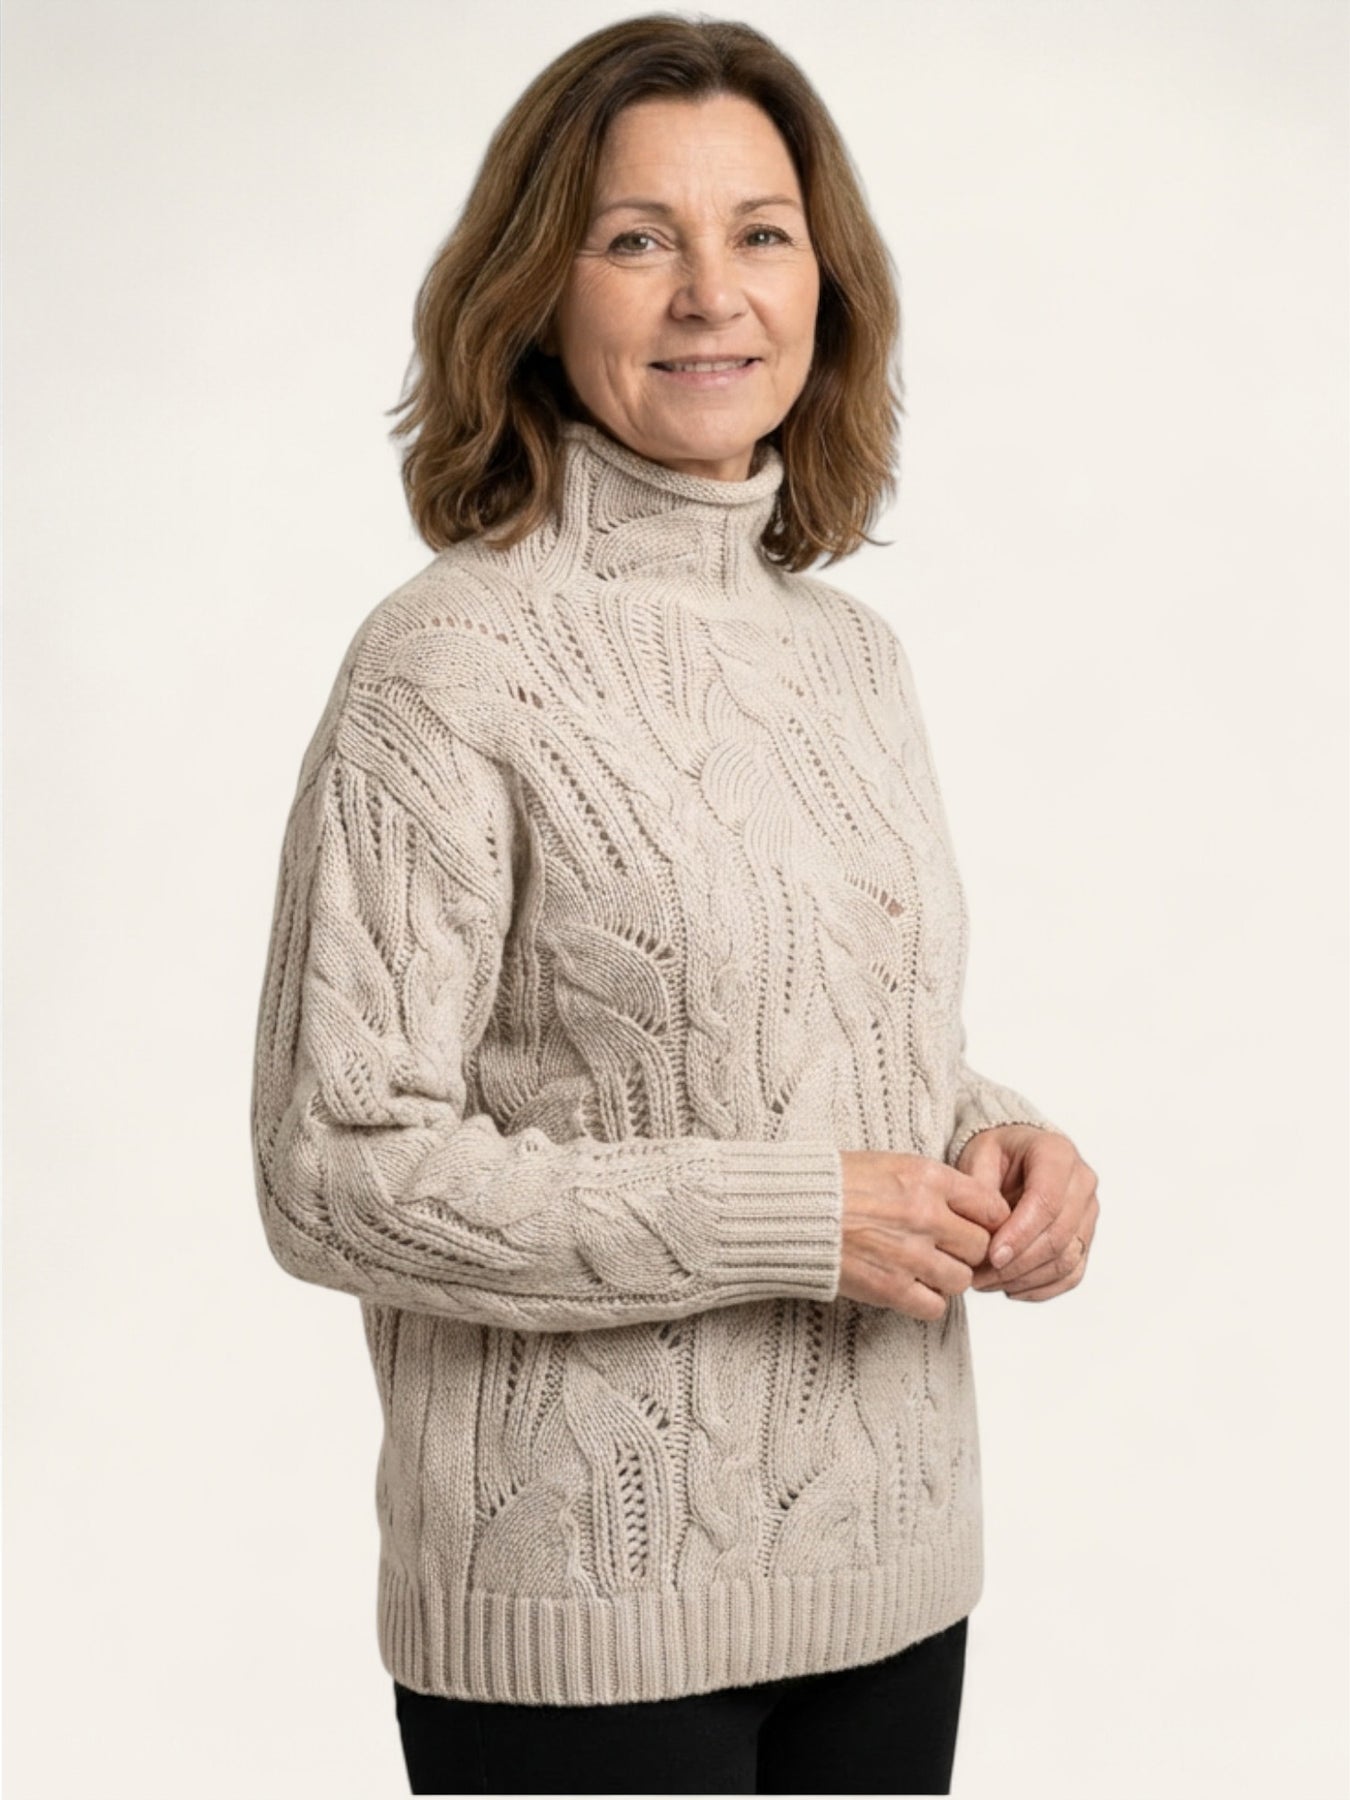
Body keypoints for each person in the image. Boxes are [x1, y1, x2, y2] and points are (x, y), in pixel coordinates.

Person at [249, 13, 1101, 1795]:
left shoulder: (850, 658)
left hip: (892, 1573)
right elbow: (335, 1171)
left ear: (823, 284)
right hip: (584, 1620)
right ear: (534, 292)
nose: (712, 292)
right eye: (638, 237)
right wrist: (791, 1219)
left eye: (760, 233)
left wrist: (996, 1141)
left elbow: (819, 1037)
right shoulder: (447, 661)